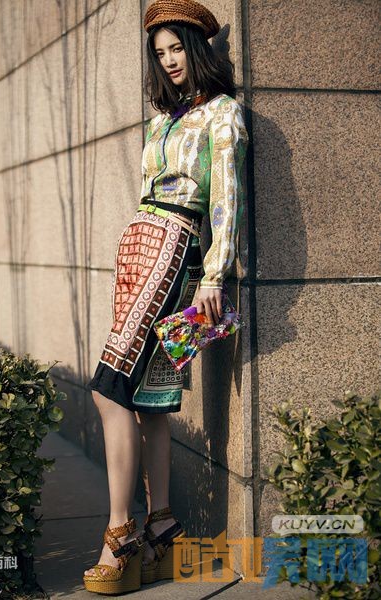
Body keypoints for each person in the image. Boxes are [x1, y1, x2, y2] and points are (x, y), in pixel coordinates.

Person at [83, 0, 249, 594]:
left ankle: (119, 533)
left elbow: (226, 198)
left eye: (178, 48)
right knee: (150, 404)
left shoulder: (222, 114)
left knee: (108, 390)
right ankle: (161, 526)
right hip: (139, 248)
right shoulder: (161, 122)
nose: (170, 60)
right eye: (161, 52)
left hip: (174, 247)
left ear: (197, 48)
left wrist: (215, 275)